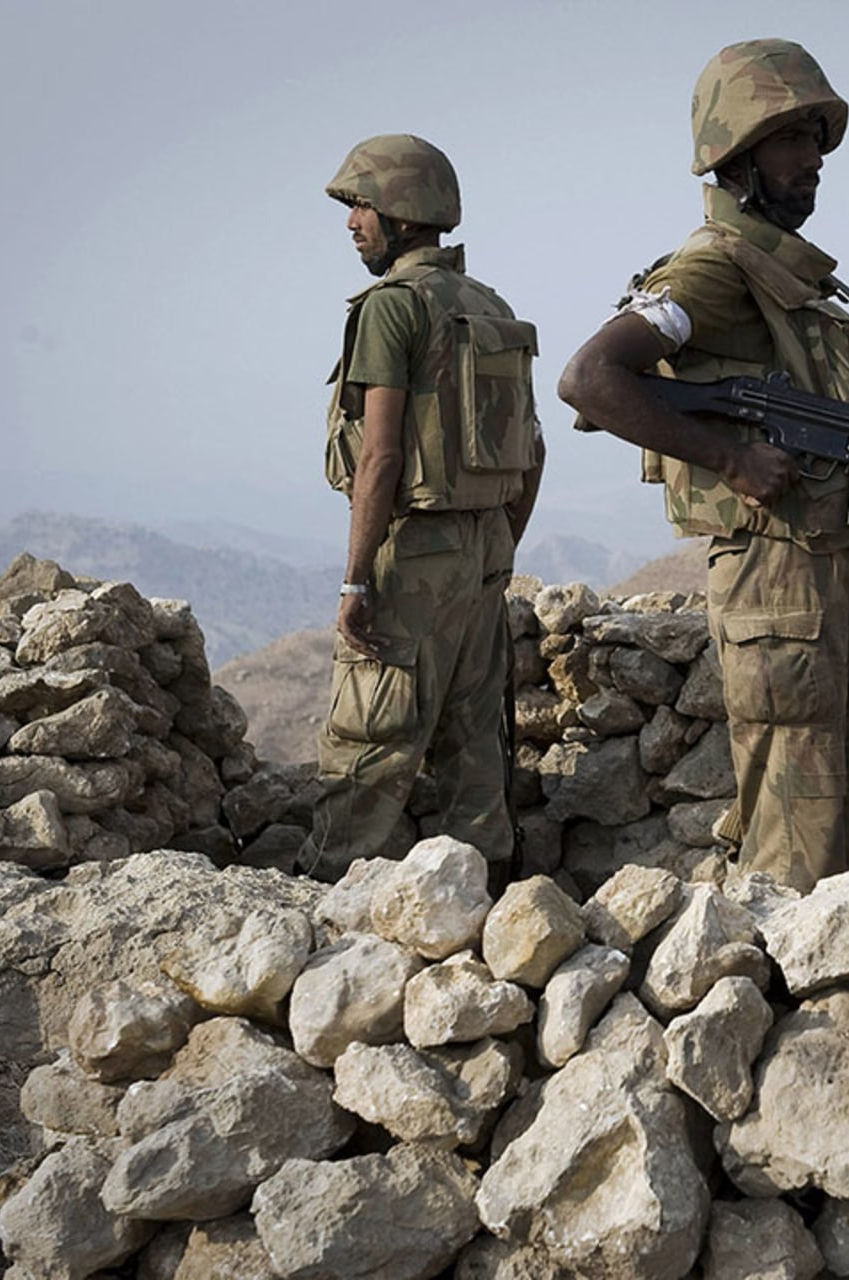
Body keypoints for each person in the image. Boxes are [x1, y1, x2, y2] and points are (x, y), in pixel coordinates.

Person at [559, 40, 849, 893]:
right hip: (776, 576)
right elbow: (589, 380)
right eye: (791, 141)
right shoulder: (708, 270)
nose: (813, 161)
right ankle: (780, 997)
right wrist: (730, 457)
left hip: (837, 564)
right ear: (736, 158)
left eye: (817, 140)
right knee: (793, 831)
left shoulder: (791, 281)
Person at [300, 133, 544, 883]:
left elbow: (379, 457)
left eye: (362, 206)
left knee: (370, 738)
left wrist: (356, 580)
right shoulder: (489, 307)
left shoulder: (392, 310)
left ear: (403, 212)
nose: (351, 224)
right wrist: (496, 542)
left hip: (415, 552)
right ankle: (492, 909)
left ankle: (328, 909)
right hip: (483, 549)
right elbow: (531, 452)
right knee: (474, 743)